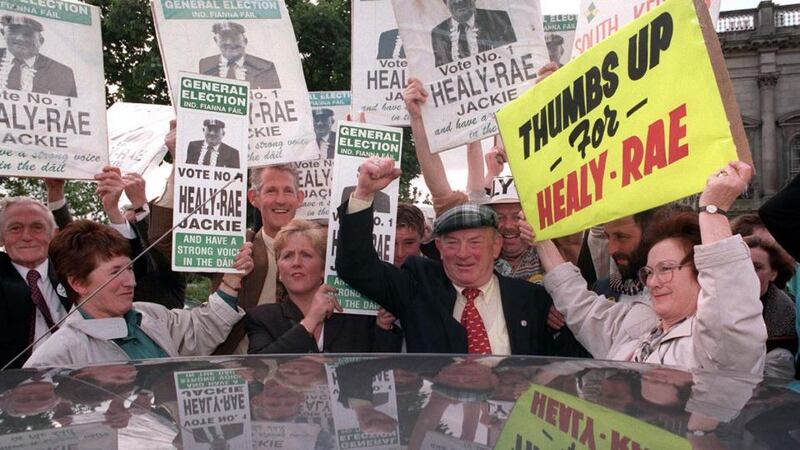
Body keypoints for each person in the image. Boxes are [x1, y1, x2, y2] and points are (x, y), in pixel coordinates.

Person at [526, 162, 767, 374]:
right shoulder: (639, 323)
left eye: (666, 269)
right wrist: (541, 242)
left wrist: (713, 210)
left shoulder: (716, 344)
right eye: (649, 272)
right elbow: (580, 306)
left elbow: (729, 305)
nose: (653, 282)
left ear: (702, 272)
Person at [334, 156, 585, 356]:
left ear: (496, 245)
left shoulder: (533, 298)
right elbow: (355, 267)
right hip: (438, 417)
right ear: (439, 248)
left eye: (475, 242)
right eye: (452, 243)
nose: (463, 253)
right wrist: (364, 194)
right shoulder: (418, 286)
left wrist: (563, 321)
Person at [23, 220, 253, 367]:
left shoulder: (149, 315)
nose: (130, 281)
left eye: (129, 268)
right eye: (115, 273)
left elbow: (201, 329)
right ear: (78, 283)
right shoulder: (54, 358)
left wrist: (232, 280)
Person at [245, 219, 402, 353]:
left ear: (323, 269)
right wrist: (310, 321)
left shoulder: (358, 317)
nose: (296, 263)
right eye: (287, 256)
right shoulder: (261, 318)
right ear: (279, 271)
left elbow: (379, 372)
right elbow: (260, 367)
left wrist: (383, 325)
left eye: (306, 255)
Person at [745, 235, 796, 378]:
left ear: (773, 274)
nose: (748, 272)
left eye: (757, 267)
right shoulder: (715, 301)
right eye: (743, 266)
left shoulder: (783, 311)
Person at [0, 15, 76, 97]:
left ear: (40, 41)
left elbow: (70, 106)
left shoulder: (61, 73)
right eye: (13, 32)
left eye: (27, 34)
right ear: (4, 34)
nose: (19, 38)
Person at [486, 175, 544, 283]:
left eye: (517, 217)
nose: (508, 225)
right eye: (500, 217)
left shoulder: (550, 252)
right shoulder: (480, 258)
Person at [431, 0, 517, 67]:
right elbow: (441, 71)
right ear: (445, 2)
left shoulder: (498, 19)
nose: (458, 1)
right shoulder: (438, 33)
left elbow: (513, 56)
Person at [198, 21, 281, 89]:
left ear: (245, 41)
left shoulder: (265, 67)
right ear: (216, 41)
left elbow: (275, 97)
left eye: (234, 37)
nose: (229, 42)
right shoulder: (205, 64)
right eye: (224, 36)